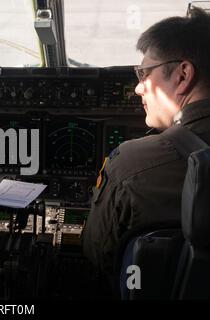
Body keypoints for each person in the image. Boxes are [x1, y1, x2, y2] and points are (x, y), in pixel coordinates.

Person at [82, 7, 210, 278]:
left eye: (144, 73)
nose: (139, 88)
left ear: (183, 75)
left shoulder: (131, 165)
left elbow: (96, 256)